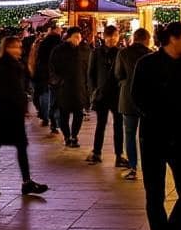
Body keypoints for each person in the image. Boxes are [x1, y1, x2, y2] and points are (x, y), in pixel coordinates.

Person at [132, 22, 181, 230]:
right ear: (172, 38)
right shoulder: (147, 64)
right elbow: (137, 97)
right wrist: (158, 113)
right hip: (153, 137)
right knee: (155, 195)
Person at [0, 36, 49, 195]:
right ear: (5, 48)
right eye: (13, 47)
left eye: (18, 47)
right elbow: (6, 88)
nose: (17, 50)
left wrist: (23, 106)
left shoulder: (17, 65)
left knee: (19, 146)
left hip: (12, 110)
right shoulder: (1, 66)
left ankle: (25, 181)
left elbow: (20, 88)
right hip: (3, 110)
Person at [114, 27, 151, 180]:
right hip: (147, 100)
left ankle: (133, 167)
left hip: (128, 99)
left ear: (134, 38)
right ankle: (149, 166)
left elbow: (118, 74)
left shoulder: (123, 53)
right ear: (147, 39)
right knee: (146, 135)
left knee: (129, 134)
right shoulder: (151, 54)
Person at [88, 25, 125, 166]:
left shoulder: (121, 52)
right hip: (101, 95)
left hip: (117, 94)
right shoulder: (96, 52)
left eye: (115, 36)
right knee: (100, 124)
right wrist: (93, 91)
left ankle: (119, 155)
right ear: (104, 37)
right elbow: (91, 74)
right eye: (109, 36)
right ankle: (97, 152)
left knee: (118, 125)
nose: (112, 39)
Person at [49, 27, 89, 147]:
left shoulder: (84, 50)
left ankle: (74, 136)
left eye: (80, 37)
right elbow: (52, 69)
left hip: (79, 87)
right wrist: (58, 82)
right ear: (69, 37)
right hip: (64, 88)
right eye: (76, 37)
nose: (78, 39)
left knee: (79, 114)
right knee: (64, 114)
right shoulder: (59, 50)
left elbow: (88, 69)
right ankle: (67, 136)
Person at [32, 23, 62, 133]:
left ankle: (45, 116)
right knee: (54, 97)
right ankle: (54, 121)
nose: (60, 30)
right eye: (59, 29)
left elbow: (38, 57)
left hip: (42, 72)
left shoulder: (43, 42)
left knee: (44, 94)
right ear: (54, 30)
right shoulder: (59, 43)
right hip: (53, 74)